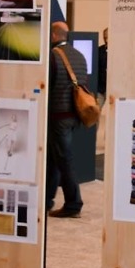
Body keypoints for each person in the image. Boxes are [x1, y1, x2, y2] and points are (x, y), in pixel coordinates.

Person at [47, 21, 88, 217]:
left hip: (58, 115)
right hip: (75, 114)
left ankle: (73, 204)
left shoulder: (53, 56)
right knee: (54, 157)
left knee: (64, 159)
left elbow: (48, 86)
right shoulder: (79, 55)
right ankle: (47, 199)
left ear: (54, 36)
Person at [97, 28, 109, 111]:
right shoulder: (99, 51)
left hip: (113, 88)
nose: (106, 40)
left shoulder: (119, 51)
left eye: (108, 37)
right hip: (101, 89)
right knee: (97, 110)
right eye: (105, 37)